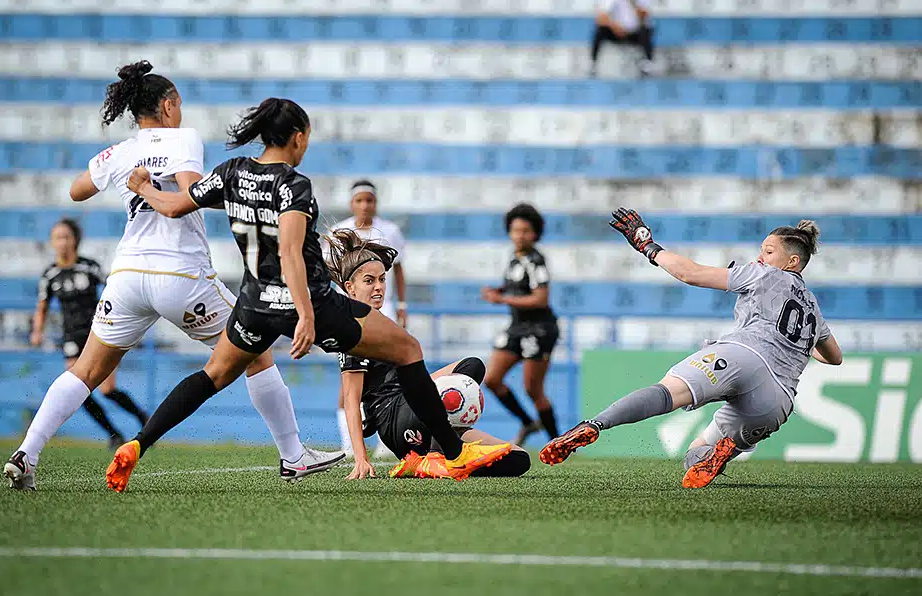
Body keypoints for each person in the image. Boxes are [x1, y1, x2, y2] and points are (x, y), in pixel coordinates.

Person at [105, 97, 512, 492]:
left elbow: (175, 206)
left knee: (213, 375)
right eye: (308, 137)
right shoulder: (293, 185)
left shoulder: (230, 172)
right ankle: (456, 452)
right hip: (310, 301)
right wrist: (305, 314)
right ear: (297, 137)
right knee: (407, 348)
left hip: (253, 304)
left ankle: (138, 443)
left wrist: (143, 187)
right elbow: (289, 251)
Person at [4, 61, 343, 491]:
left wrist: (126, 173)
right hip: (179, 274)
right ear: (168, 105)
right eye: (178, 103)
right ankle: (293, 456)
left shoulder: (124, 151)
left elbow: (77, 190)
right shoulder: (183, 138)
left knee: (86, 370)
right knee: (255, 351)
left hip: (127, 274)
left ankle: (27, 453)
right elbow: (191, 192)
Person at [540, 209, 844, 488]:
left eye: (768, 251)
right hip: (777, 402)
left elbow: (691, 274)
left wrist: (648, 246)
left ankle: (594, 424)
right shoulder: (813, 309)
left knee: (667, 392)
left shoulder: (764, 274)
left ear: (793, 262)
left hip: (744, 355)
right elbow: (834, 357)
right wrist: (798, 347)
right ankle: (716, 455)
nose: (760, 256)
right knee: (697, 451)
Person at [328, 229, 530, 480]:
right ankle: (428, 457)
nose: (379, 287)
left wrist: (431, 387)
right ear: (350, 288)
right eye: (369, 281)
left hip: (414, 409)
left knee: (518, 458)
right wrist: (360, 458)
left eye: (382, 279)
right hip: (396, 421)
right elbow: (350, 397)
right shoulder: (353, 330)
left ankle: (434, 458)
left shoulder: (382, 321)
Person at [32, 218, 148, 448]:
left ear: (75, 239)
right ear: (52, 242)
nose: (62, 242)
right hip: (72, 338)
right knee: (78, 389)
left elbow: (114, 290)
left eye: (66, 237)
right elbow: (42, 307)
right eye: (57, 238)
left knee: (107, 389)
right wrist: (37, 331)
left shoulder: (90, 267)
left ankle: (143, 418)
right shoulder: (50, 274)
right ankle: (114, 434)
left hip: (100, 332)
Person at [327, 179, 408, 458]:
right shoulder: (339, 231)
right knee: (351, 376)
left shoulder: (390, 231)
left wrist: (402, 306)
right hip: (349, 314)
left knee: (390, 374)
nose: (364, 205)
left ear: (376, 203)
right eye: (359, 200)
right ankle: (349, 444)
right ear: (352, 203)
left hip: (382, 313)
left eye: (369, 200)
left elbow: (398, 270)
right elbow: (330, 272)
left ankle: (387, 437)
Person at [481, 204, 560, 446]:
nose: (520, 235)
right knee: (492, 379)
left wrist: (502, 298)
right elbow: (517, 286)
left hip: (539, 329)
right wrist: (500, 290)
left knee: (533, 389)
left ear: (535, 233)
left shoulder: (536, 260)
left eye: (526, 231)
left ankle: (558, 442)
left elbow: (540, 297)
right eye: (516, 230)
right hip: (516, 327)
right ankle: (528, 423)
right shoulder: (514, 259)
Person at [591, 0, 654, 77]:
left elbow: (644, 16)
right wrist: (614, 27)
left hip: (635, 33)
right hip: (617, 31)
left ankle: (646, 63)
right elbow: (601, 17)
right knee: (600, 30)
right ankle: (593, 62)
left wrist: (633, 2)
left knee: (645, 30)